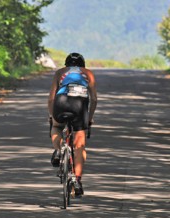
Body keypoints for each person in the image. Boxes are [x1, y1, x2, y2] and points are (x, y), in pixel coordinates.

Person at [48, 52, 97, 196]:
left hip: (61, 101)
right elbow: (93, 99)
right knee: (80, 145)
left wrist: (52, 116)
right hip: (80, 105)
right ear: (82, 65)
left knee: (57, 126)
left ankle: (60, 148)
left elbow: (51, 98)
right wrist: (89, 118)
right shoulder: (88, 73)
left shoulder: (60, 73)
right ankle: (77, 180)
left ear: (66, 64)